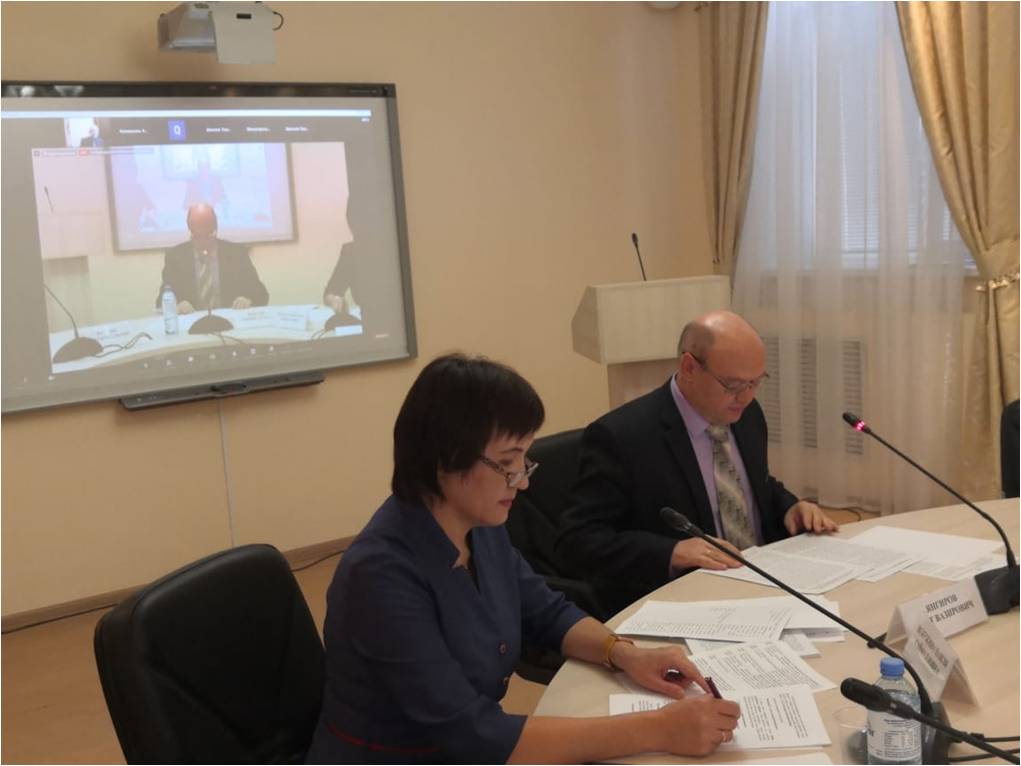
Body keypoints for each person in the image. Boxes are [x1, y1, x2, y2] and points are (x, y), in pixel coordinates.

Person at [305, 354, 740, 764]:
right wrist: (657, 729)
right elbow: (475, 734)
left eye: (523, 462)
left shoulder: (480, 526)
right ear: (444, 461)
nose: (523, 482)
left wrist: (624, 654)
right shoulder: (379, 577)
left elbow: (546, 612)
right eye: (506, 464)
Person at [556, 310, 838, 617]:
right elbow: (577, 542)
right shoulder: (623, 436)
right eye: (732, 385)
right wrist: (673, 551)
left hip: (766, 585)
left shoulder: (747, 415)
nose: (746, 397)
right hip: (687, 605)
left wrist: (790, 507)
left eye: (755, 382)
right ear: (689, 367)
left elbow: (755, 485)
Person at [155, 203, 268, 313]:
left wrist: (248, 300)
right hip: (192, 322)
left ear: (216, 228)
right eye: (198, 236)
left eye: (208, 235)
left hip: (229, 320)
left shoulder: (236, 253)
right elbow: (161, 302)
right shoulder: (175, 257)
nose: (204, 241)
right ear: (190, 230)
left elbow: (262, 294)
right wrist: (176, 305)